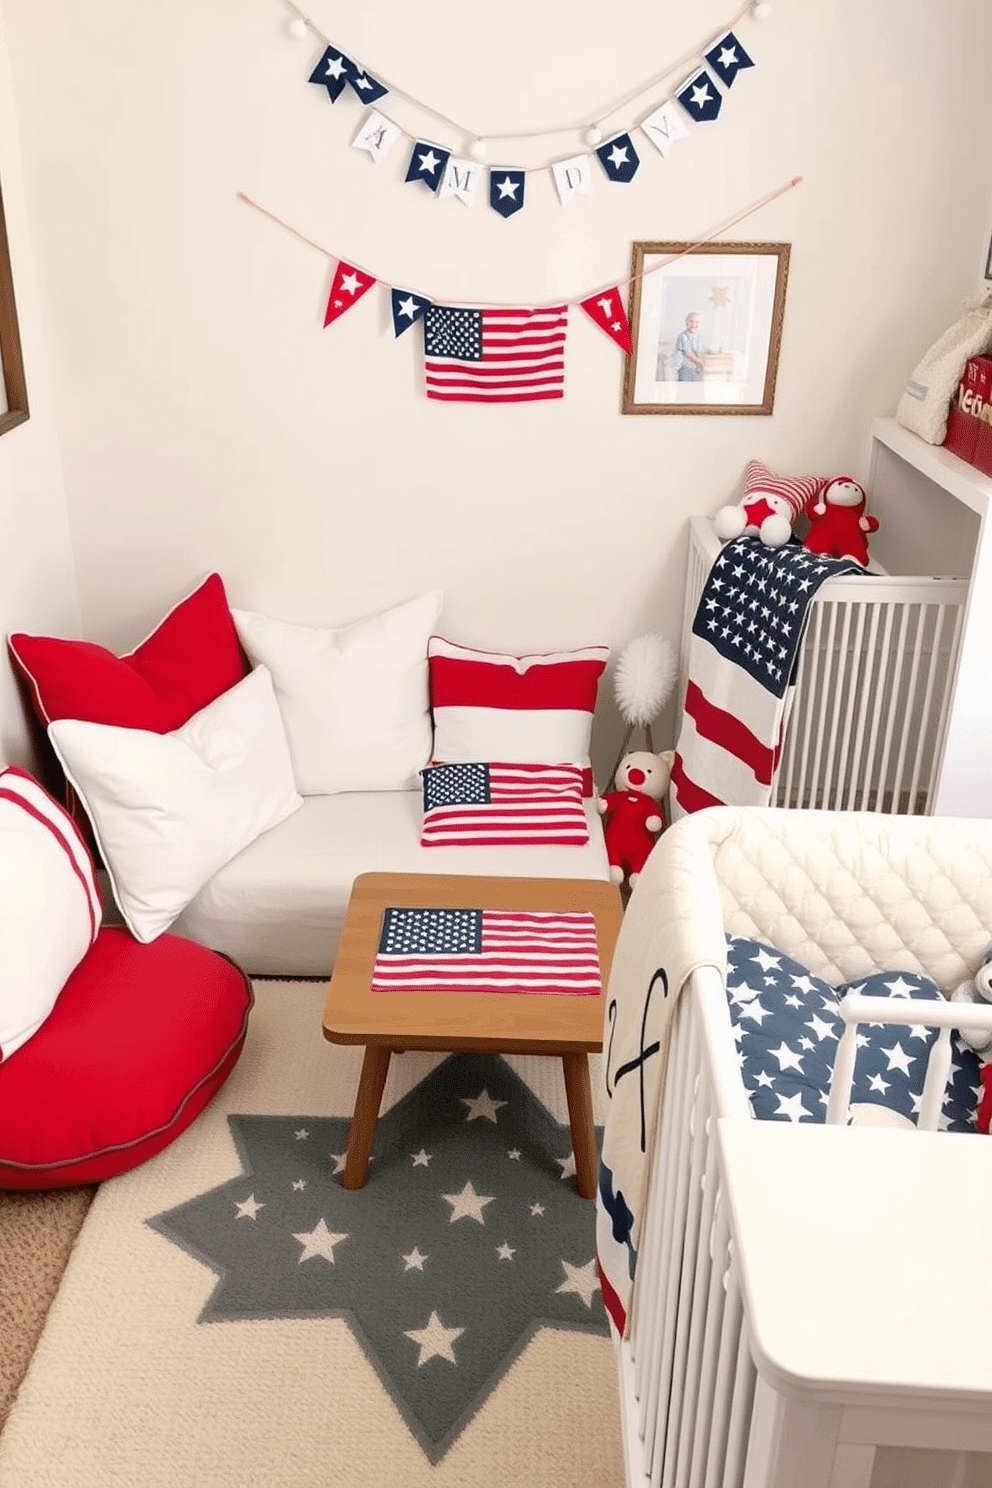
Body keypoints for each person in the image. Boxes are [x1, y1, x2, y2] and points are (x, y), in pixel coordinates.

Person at [672, 312, 704, 381]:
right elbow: (689, 354)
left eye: (697, 322)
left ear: (701, 324)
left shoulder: (699, 337)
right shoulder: (683, 336)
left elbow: (700, 352)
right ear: (686, 323)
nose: (694, 324)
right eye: (691, 321)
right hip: (684, 368)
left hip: (695, 369)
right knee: (685, 388)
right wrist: (704, 364)